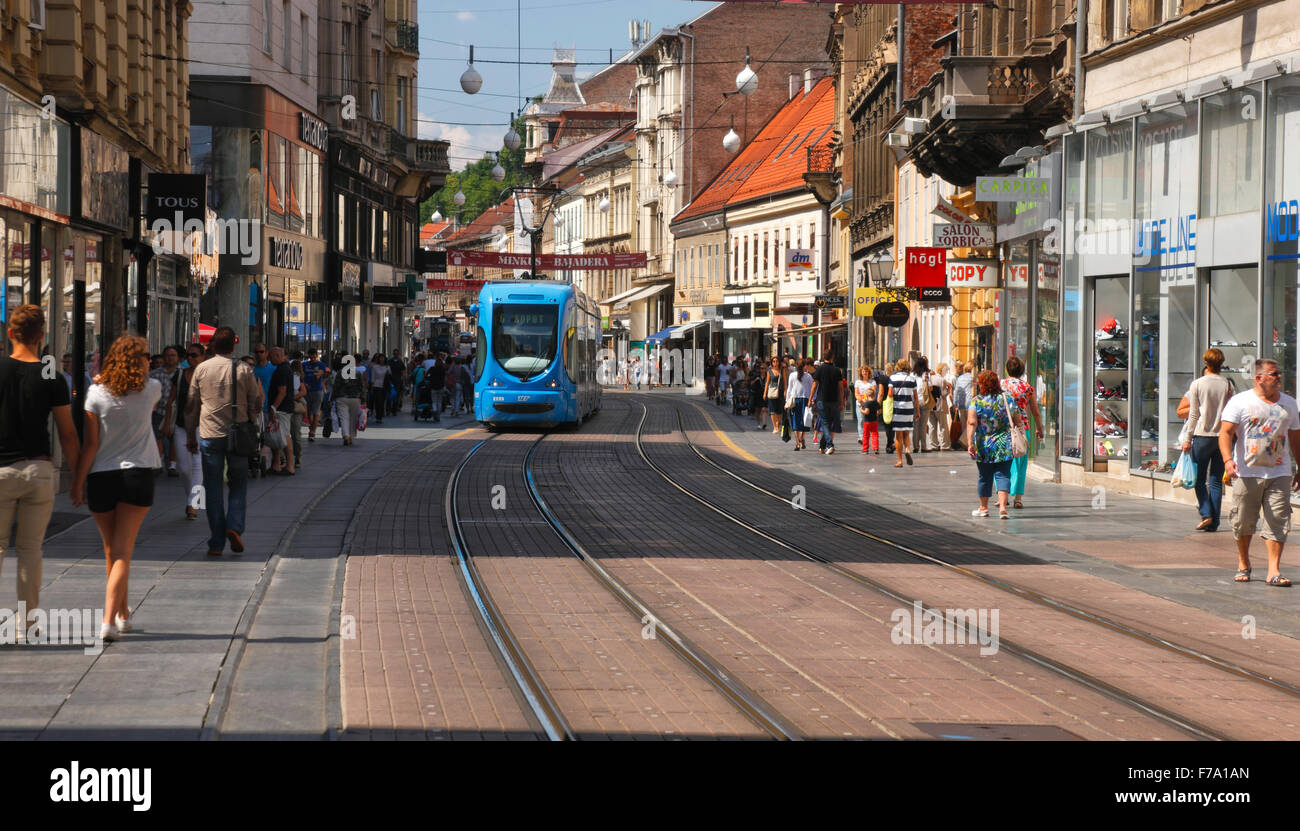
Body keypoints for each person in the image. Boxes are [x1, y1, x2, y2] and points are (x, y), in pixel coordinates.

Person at [70, 335, 161, 640]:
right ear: (139, 360)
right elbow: (145, 393)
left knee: (112, 551)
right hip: (138, 476)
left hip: (101, 477)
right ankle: (109, 620)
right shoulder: (152, 390)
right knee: (122, 552)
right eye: (147, 355)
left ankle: (123, 613)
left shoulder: (95, 393)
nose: (151, 360)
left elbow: (91, 444)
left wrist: (77, 482)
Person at [0, 305, 79, 640]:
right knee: (31, 550)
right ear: (42, 336)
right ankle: (28, 625)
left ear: (10, 334)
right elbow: (67, 432)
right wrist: (78, 477)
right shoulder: (51, 375)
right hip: (39, 469)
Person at [1219, 358, 1300, 586]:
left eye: (1279, 374)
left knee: (1278, 519)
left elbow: (1295, 437)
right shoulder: (1240, 402)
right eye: (1273, 374)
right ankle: (1243, 562)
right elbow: (1225, 433)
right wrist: (1227, 460)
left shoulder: (1290, 404)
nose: (1278, 378)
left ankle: (1274, 570)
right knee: (1243, 521)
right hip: (1246, 472)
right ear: (1259, 378)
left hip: (1279, 472)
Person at [185, 325, 264, 557]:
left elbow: (191, 405)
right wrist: (252, 418)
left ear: (212, 345)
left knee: (213, 487)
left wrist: (190, 434)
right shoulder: (243, 369)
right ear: (234, 345)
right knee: (238, 483)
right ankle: (234, 525)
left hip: (210, 434)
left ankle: (216, 542)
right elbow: (256, 401)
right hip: (237, 434)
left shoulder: (201, 369)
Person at [1179, 348, 1235, 532]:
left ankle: (1206, 513)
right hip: (1222, 438)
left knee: (1198, 478)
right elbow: (1232, 412)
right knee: (1216, 480)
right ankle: (1215, 521)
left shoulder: (1197, 384)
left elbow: (1194, 414)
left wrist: (1187, 439)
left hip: (1202, 436)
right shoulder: (1227, 384)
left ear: (1206, 363)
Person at [966, 369, 1022, 519]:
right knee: (1003, 475)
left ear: (981, 384)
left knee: (984, 476)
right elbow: (1017, 420)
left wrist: (970, 442)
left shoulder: (976, 400)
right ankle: (1003, 507)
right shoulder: (1007, 398)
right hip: (1005, 444)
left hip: (983, 445)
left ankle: (983, 508)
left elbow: (972, 422)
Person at [1000, 356, 1041, 509]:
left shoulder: (1000, 385)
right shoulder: (1027, 387)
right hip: (1022, 428)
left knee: (1002, 463)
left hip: (1003, 428)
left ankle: (1002, 496)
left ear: (1007, 369)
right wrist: (1040, 428)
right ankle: (1018, 498)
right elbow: (1035, 411)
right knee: (1021, 464)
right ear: (1022, 371)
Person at [174, 344, 206, 520]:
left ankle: (192, 504)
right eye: (188, 356)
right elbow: (172, 399)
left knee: (197, 464)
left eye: (194, 355)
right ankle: (192, 498)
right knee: (184, 468)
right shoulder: (180, 375)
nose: (191, 359)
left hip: (202, 426)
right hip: (181, 425)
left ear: (203, 356)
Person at [149, 345, 180, 470]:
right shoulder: (154, 374)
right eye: (167, 355)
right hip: (158, 410)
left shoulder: (183, 372)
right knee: (157, 436)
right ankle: (159, 462)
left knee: (174, 438)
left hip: (176, 410)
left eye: (173, 355)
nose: (170, 358)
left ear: (178, 358)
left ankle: (173, 465)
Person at [809, 349, 844, 455]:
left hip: (821, 400)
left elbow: (814, 385)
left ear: (824, 357)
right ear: (832, 357)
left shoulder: (819, 369)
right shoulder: (837, 370)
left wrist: (810, 398)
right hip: (833, 400)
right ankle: (823, 446)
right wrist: (842, 401)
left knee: (825, 423)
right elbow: (841, 387)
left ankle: (828, 444)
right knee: (827, 423)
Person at [888, 357, 917, 467]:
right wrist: (917, 410)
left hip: (898, 409)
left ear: (898, 367)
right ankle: (908, 450)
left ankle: (900, 461)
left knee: (898, 435)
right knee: (906, 433)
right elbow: (915, 397)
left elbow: (890, 394)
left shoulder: (893, 378)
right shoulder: (911, 379)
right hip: (909, 409)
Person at [332, 354, 365, 446]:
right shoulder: (357, 373)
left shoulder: (340, 373)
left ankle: (346, 435)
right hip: (355, 398)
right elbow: (361, 387)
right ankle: (350, 436)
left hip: (341, 397)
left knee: (344, 417)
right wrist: (363, 399)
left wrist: (332, 399)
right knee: (352, 418)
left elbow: (336, 387)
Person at [786, 358, 812, 451]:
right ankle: (802, 437)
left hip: (794, 400)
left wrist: (786, 401)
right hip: (805, 400)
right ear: (805, 366)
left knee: (795, 420)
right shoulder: (808, 376)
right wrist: (812, 399)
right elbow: (811, 389)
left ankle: (797, 443)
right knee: (805, 420)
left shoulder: (792, 375)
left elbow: (789, 389)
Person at [912, 356, 936, 453]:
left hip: (915, 401)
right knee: (923, 425)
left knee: (915, 424)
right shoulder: (926, 374)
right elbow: (930, 388)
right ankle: (924, 447)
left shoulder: (912, 374)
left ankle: (915, 446)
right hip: (925, 401)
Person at [854, 366, 880, 454]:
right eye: (863, 371)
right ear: (860, 373)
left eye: (866, 371)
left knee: (869, 423)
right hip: (860, 403)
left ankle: (868, 445)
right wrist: (860, 400)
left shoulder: (872, 382)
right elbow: (856, 393)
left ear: (869, 372)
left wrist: (868, 400)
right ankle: (861, 437)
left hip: (870, 404)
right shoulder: (857, 382)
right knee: (860, 420)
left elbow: (873, 392)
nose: (864, 373)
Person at [303, 348, 326, 442]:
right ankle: (312, 428)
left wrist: (318, 374)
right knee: (309, 413)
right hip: (307, 391)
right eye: (310, 357)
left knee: (316, 411)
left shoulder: (321, 364)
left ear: (317, 355)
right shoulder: (304, 364)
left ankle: (312, 432)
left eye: (313, 357)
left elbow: (320, 373)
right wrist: (304, 383)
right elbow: (301, 375)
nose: (312, 359)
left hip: (317, 390)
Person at [931, 363, 953, 452]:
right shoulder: (942, 380)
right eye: (946, 370)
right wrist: (949, 389)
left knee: (932, 426)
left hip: (931, 405)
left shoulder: (931, 378)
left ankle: (933, 444)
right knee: (943, 426)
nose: (946, 372)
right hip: (940, 405)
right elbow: (943, 394)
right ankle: (945, 445)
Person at [763, 356, 786, 434]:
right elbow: (767, 382)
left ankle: (778, 424)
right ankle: (775, 427)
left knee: (779, 410)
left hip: (780, 391)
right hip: (772, 392)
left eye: (777, 361)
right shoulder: (769, 371)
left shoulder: (782, 370)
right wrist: (765, 393)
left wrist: (785, 390)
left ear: (779, 362)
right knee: (772, 410)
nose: (775, 363)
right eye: (774, 361)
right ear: (772, 363)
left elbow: (785, 381)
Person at [367, 353, 389, 424]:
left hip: (384, 386)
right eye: (380, 358)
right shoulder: (375, 367)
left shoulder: (387, 367)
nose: (381, 359)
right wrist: (372, 388)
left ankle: (380, 415)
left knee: (382, 402)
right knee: (378, 402)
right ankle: (378, 417)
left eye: (383, 358)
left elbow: (390, 377)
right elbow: (373, 378)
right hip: (377, 386)